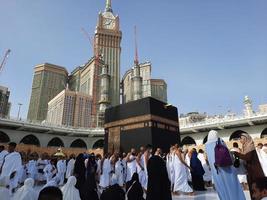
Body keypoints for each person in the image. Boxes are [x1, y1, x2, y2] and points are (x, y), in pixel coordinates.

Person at [205, 130, 245, 200]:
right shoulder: (219, 141)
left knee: (221, 187)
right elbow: (227, 153)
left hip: (216, 170)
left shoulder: (206, 145)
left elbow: (209, 158)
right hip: (227, 168)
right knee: (232, 185)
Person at [233, 133, 265, 200]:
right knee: (252, 190)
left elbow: (248, 157)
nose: (240, 140)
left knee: (257, 190)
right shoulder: (245, 147)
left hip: (255, 173)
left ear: (246, 138)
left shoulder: (250, 147)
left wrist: (237, 154)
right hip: (250, 172)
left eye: (241, 138)